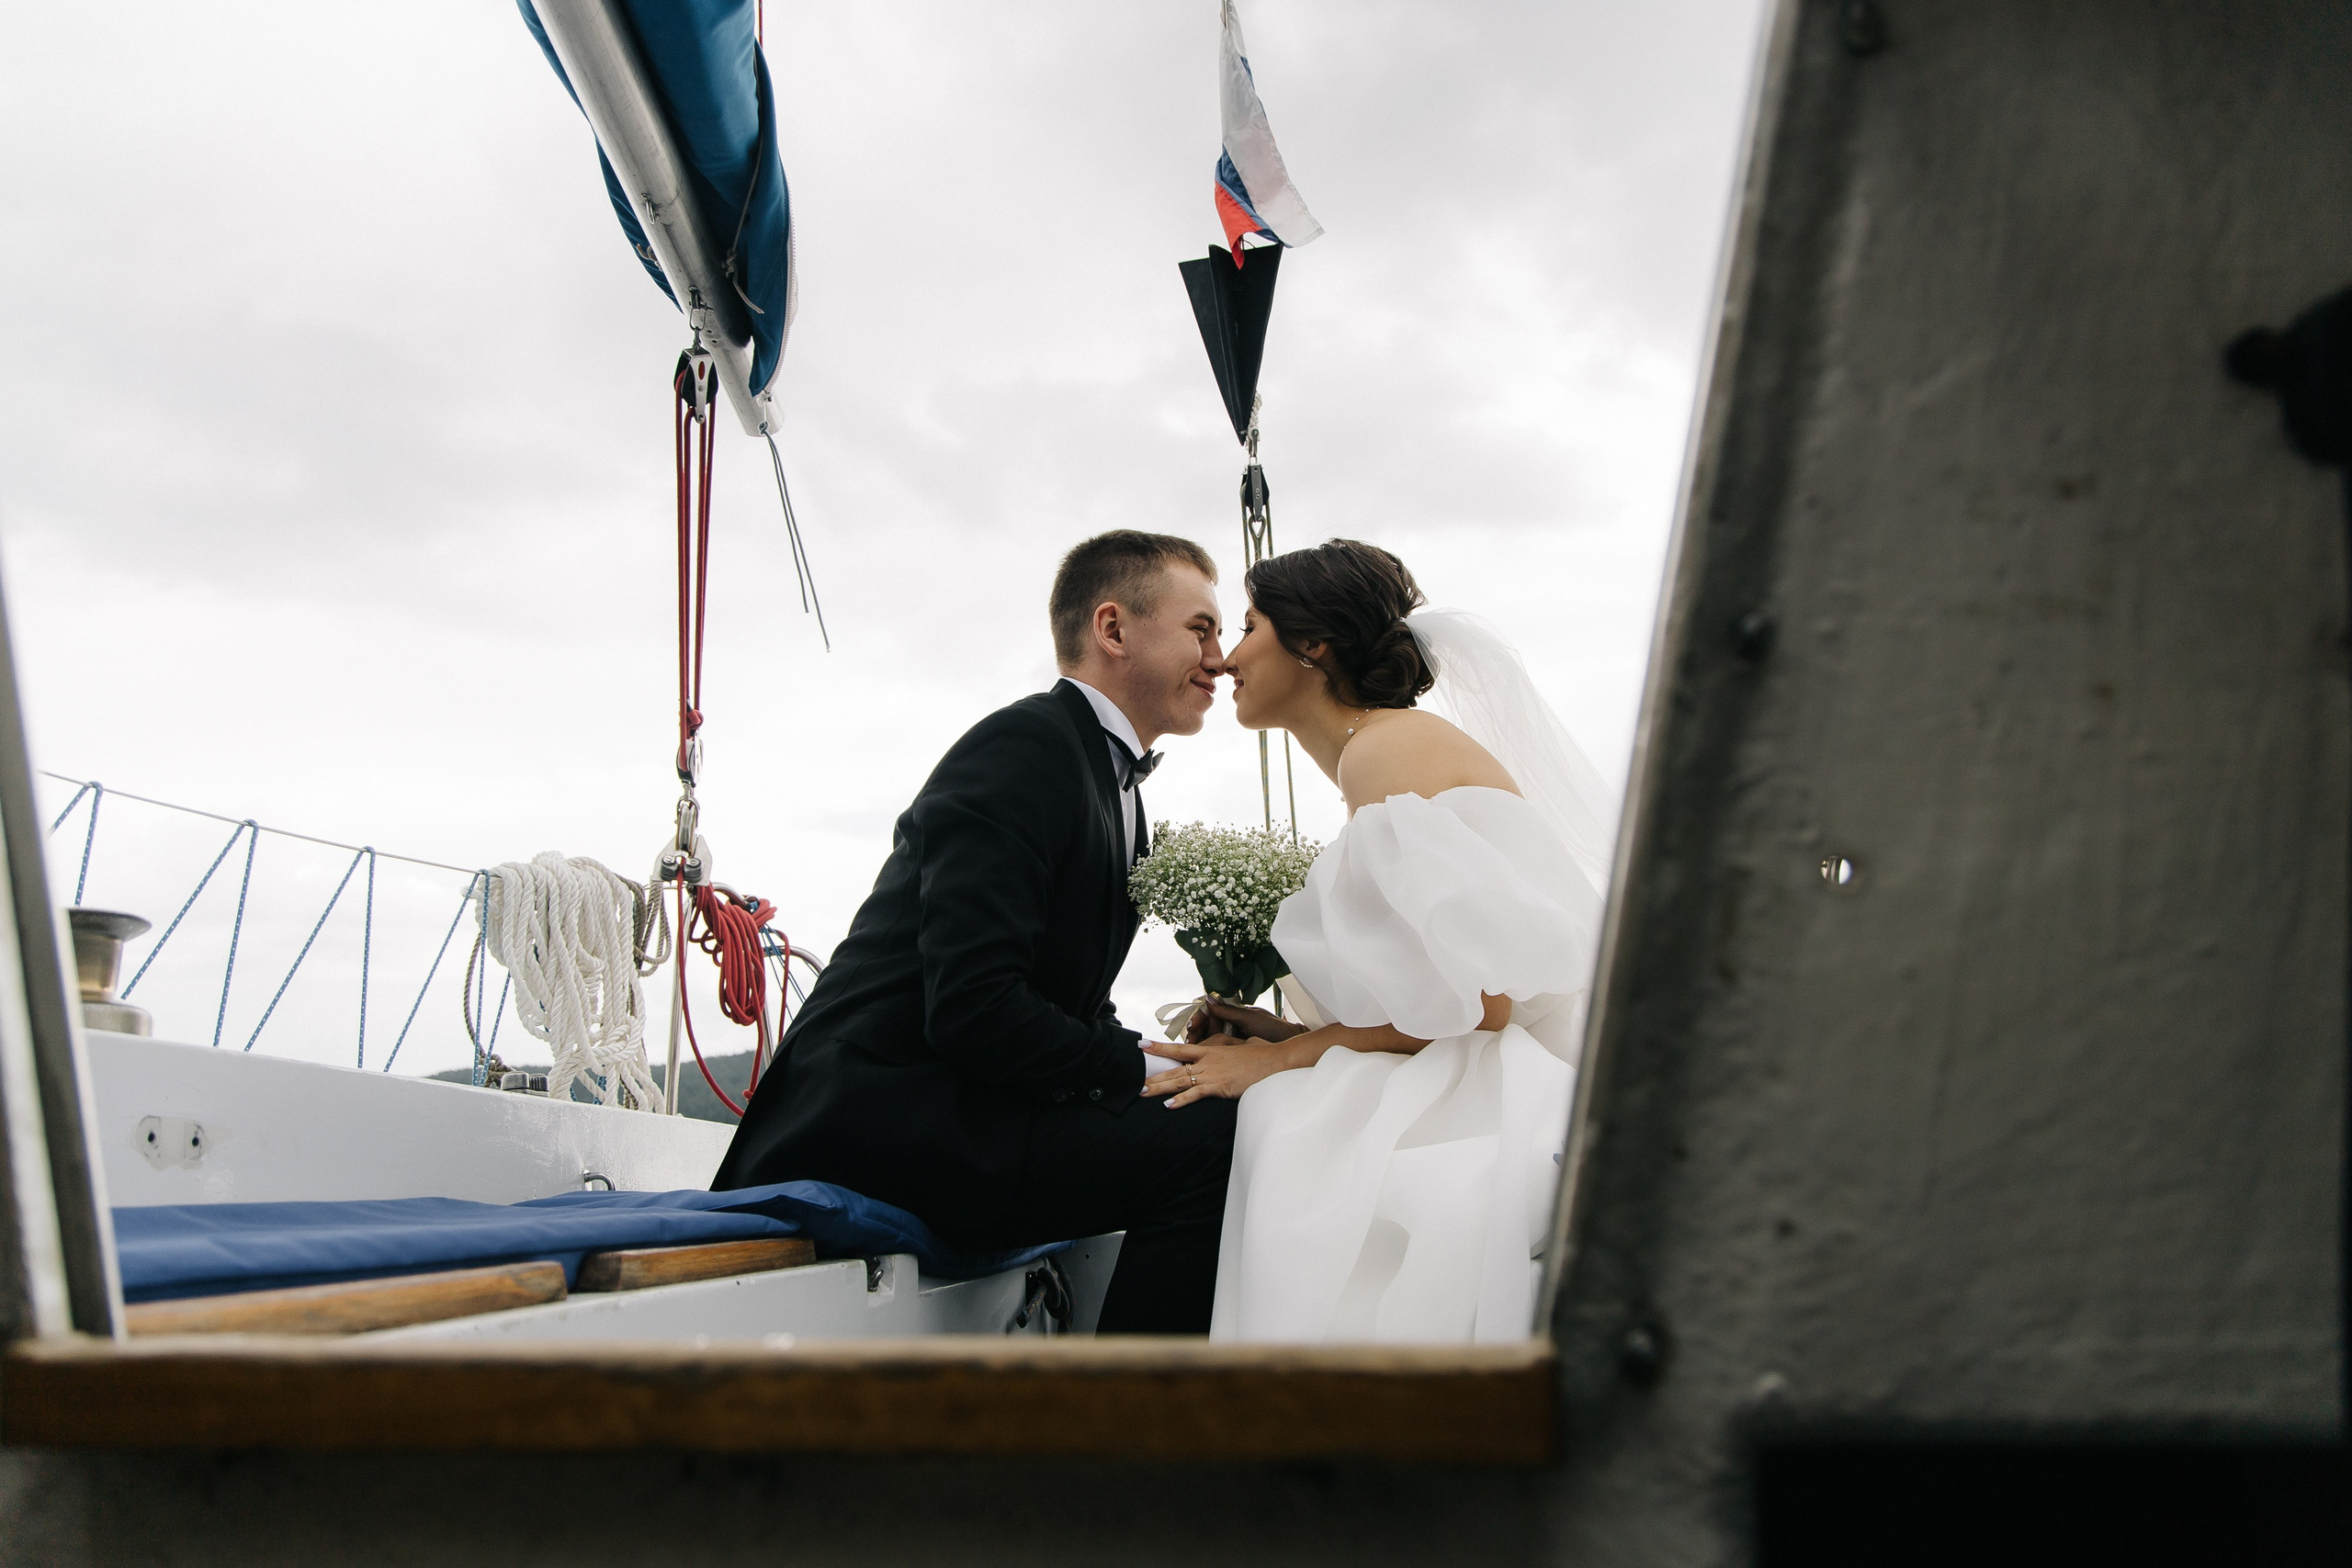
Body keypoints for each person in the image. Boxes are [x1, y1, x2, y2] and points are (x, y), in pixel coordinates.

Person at [712, 530, 1238, 1333]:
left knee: (1224, 1110)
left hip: (969, 1108)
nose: (1221, 655)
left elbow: (1062, 996)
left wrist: (1175, 1060)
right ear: (1113, 629)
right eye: (1201, 627)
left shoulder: (1118, 790)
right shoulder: (1025, 747)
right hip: (881, 1122)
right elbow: (974, 1005)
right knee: (1214, 1142)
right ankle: (1131, 1437)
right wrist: (1133, 1068)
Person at [1142, 539, 1613, 1342]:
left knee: (1283, 1130)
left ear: (1312, 644)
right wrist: (1286, 1033)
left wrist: (1275, 1061)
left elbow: (1486, 1002)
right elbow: (1446, 998)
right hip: (1468, 1058)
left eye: (1250, 624)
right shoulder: (1384, 751)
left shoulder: (1383, 754)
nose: (1225, 659)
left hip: (1487, 1087)